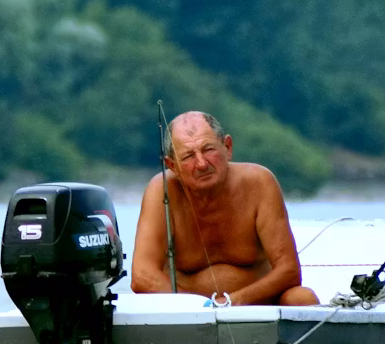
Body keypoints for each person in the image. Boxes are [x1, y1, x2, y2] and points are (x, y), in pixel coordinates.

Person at [130, 111, 319, 306]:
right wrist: (200, 307)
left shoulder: (259, 182)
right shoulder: (162, 191)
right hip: (189, 312)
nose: (202, 164)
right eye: (188, 157)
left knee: (303, 298)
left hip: (256, 305)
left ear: (227, 147)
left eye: (208, 149)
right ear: (172, 165)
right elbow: (142, 276)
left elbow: (289, 271)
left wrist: (231, 302)